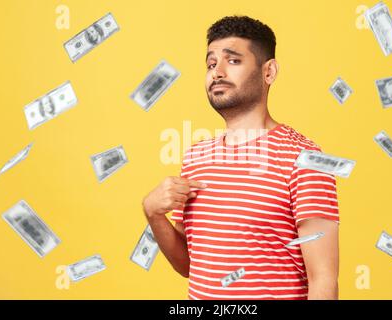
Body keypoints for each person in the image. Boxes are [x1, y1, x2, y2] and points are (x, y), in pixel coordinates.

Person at [142, 16, 340, 300]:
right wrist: (153, 214)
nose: (217, 73)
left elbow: (323, 280)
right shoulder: (195, 157)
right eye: (211, 64)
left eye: (233, 61)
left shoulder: (304, 159)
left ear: (268, 71)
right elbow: (189, 265)